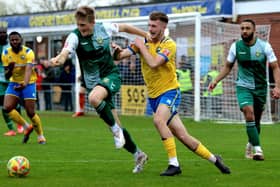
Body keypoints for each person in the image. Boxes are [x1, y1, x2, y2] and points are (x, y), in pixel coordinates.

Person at [114, 11, 230, 176]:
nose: (150, 29)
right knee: (183, 136)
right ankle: (215, 159)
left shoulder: (169, 45)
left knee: (158, 120)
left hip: (170, 91)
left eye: (154, 26)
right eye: (149, 25)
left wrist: (140, 46)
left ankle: (174, 164)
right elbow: (120, 56)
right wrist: (116, 51)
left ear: (163, 26)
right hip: (154, 96)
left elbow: (154, 63)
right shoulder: (144, 41)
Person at [50, 6, 148, 173]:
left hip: (111, 76)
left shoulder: (104, 28)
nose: (81, 29)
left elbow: (123, 27)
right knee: (116, 124)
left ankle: (116, 131)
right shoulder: (74, 36)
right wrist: (60, 58)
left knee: (94, 99)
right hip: (94, 84)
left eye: (84, 25)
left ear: (93, 22)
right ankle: (138, 154)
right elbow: (66, 50)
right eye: (79, 25)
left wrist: (145, 35)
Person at [208, 19, 280, 161]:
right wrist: (216, 80)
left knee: (256, 121)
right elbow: (228, 66)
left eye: (247, 28)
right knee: (249, 113)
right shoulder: (235, 47)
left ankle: (250, 144)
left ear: (254, 30)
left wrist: (277, 86)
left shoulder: (265, 46)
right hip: (243, 86)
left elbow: (275, 67)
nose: (244, 31)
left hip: (260, 88)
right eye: (242, 28)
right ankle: (258, 150)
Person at [2, 31, 46, 144]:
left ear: (21, 40)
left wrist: (25, 84)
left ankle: (40, 136)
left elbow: (28, 70)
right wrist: (10, 69)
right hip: (14, 83)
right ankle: (26, 127)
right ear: (9, 41)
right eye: (12, 40)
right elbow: (7, 76)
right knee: (7, 108)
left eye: (16, 39)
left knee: (30, 112)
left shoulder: (28, 52)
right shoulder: (6, 53)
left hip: (29, 83)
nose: (14, 41)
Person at [0, 27, 24, 136]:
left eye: (4, 33)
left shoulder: (11, 47)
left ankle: (19, 124)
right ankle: (11, 129)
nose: (2, 34)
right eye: (0, 33)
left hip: (12, 79)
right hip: (0, 81)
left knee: (15, 104)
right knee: (3, 106)